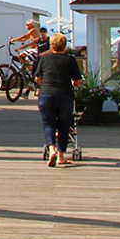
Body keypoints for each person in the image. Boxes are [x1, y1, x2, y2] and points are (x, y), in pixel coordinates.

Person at [33, 32, 82, 166]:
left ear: (51, 45)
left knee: (48, 123)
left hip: (46, 94)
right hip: (65, 95)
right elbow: (78, 80)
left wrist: (44, 84)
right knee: (64, 125)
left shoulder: (44, 59)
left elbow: (37, 78)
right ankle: (61, 155)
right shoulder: (70, 60)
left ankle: (51, 148)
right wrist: (72, 84)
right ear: (64, 45)